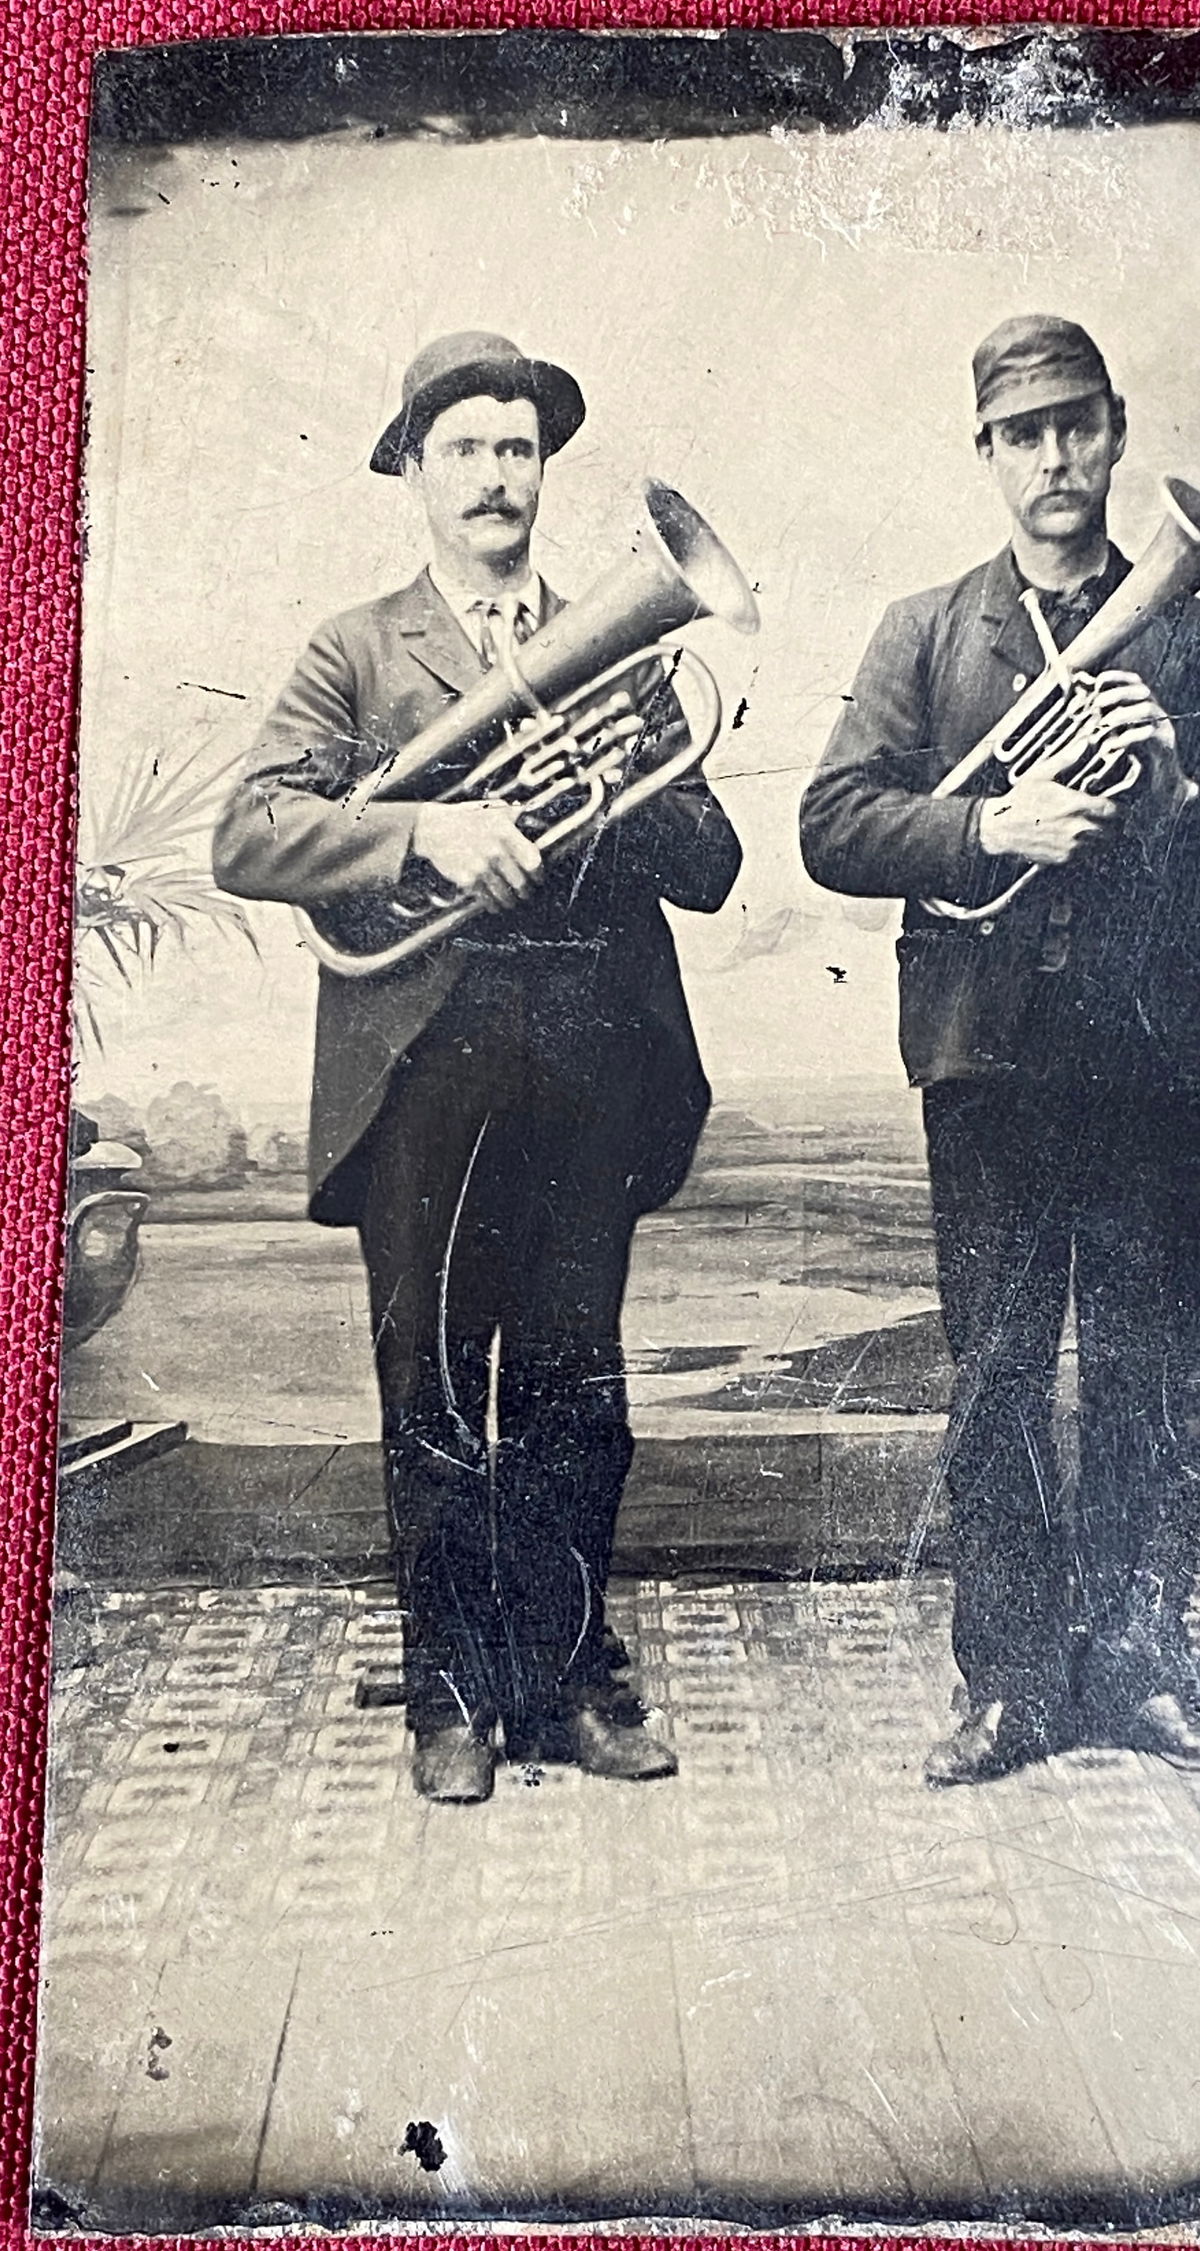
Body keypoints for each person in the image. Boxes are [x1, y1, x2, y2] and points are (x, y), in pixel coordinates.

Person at [215, 331, 741, 1802]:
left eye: (517, 448)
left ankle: (568, 1677)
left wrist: (613, 798)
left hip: (590, 1057)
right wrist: (427, 835)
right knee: (433, 1383)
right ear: (415, 475)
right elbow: (248, 834)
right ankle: (451, 1694)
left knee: (576, 1379)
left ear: (542, 472)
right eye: (466, 450)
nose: (496, 475)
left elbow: (708, 860)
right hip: (427, 1071)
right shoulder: (358, 648)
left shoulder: (621, 638)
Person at [799, 314, 1200, 1785]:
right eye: (1023, 434)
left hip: (1156, 1067)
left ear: (1116, 432)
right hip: (994, 1070)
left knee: (1149, 1365)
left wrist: (1182, 776)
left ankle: (1142, 1662)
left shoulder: (1194, 634)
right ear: (987, 455)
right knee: (1000, 1378)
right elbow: (832, 824)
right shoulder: (924, 629)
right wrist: (986, 828)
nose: (1056, 459)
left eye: (1077, 425)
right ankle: (1013, 1685)